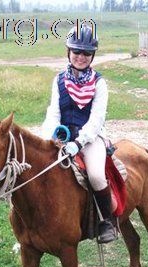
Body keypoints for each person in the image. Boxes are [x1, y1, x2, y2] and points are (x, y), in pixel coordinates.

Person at [40, 24, 117, 243]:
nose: (81, 57)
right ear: (68, 52)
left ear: (92, 55)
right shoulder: (58, 80)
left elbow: (96, 120)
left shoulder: (100, 84)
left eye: (86, 53)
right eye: (77, 51)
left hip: (90, 138)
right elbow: (53, 113)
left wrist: (79, 143)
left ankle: (107, 222)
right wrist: (51, 135)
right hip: (62, 136)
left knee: (94, 175)